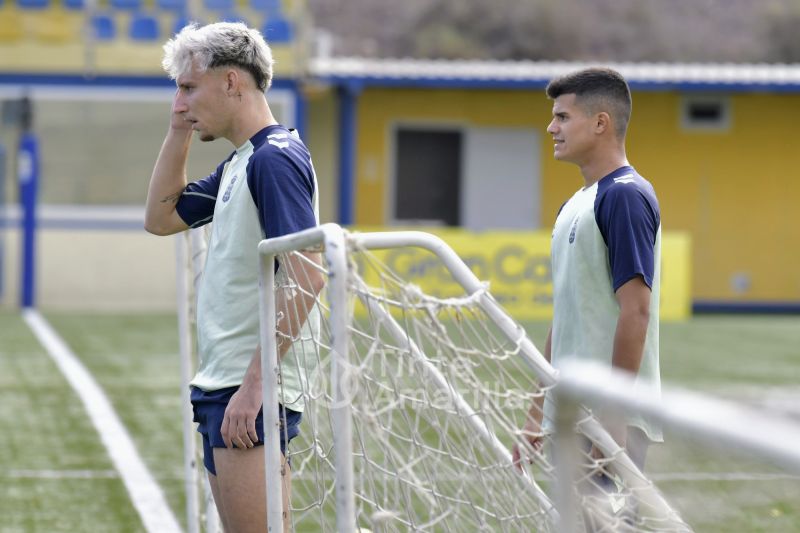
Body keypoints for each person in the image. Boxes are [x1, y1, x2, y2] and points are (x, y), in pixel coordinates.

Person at [144, 22, 324, 533]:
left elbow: (309, 274)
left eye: (188, 87)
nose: (180, 102)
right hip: (224, 384)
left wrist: (254, 385)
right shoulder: (241, 161)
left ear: (230, 82)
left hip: (249, 389)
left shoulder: (274, 159)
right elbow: (161, 218)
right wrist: (178, 130)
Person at [512, 67, 662, 477]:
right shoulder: (575, 204)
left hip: (607, 419)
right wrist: (536, 412)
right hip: (570, 413)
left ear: (600, 123)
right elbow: (566, 317)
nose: (551, 128)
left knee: (607, 515)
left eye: (562, 117)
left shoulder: (625, 196)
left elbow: (636, 311)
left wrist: (612, 417)